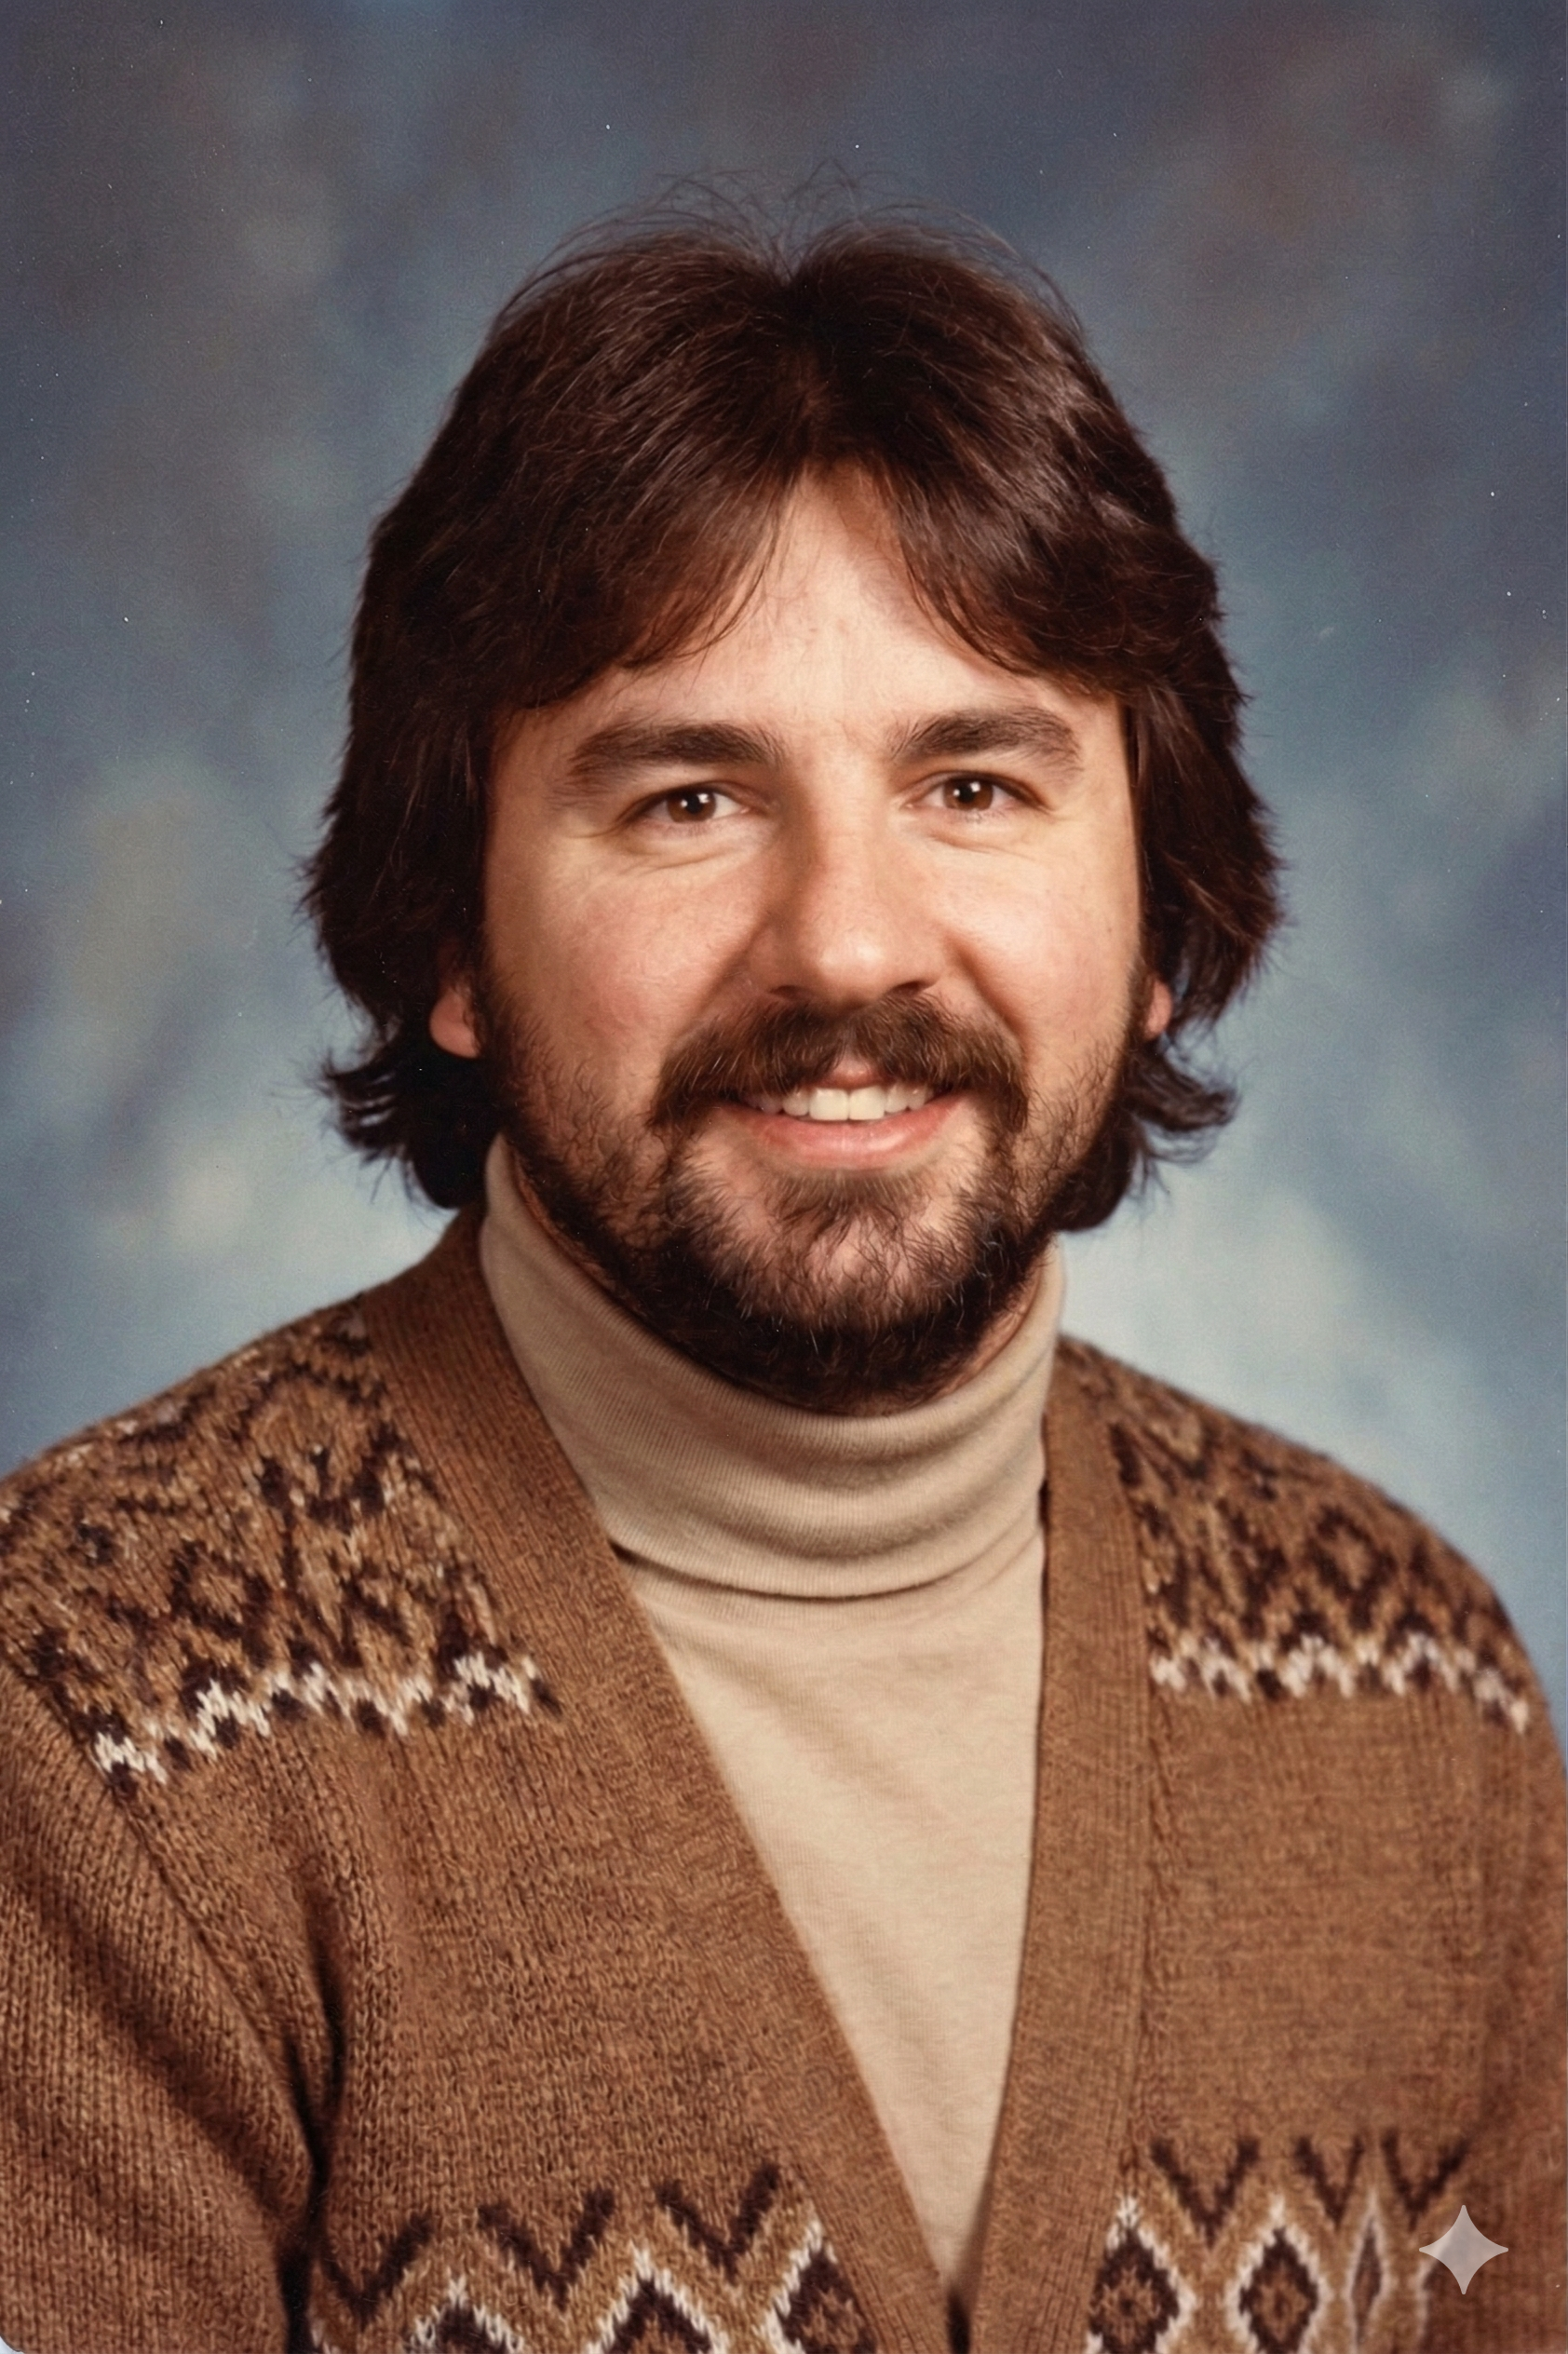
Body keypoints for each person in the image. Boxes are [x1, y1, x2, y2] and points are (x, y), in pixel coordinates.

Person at [0, 210, 1561, 2354]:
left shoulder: (1410, 1690)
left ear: (1157, 914)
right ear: (449, 935)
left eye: (972, 784)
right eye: (687, 798)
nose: (845, 941)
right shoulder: (88, 1704)